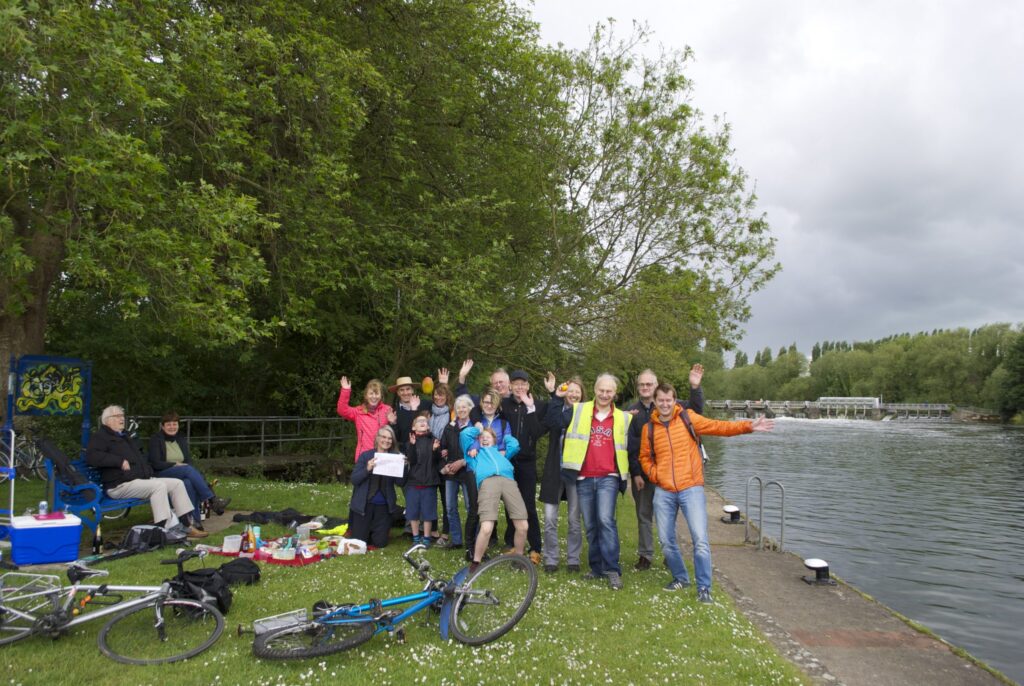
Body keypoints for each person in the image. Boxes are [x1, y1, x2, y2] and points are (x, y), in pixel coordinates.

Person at [639, 382, 774, 603]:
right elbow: (644, 457)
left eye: (668, 400)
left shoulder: (687, 418)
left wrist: (749, 426)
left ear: (674, 401)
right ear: (654, 401)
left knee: (700, 539)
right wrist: (655, 475)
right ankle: (681, 578)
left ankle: (704, 588)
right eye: (660, 400)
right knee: (665, 539)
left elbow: (719, 427)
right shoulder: (649, 428)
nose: (664, 404)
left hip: (691, 487)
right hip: (664, 490)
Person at [548, 373, 632, 590]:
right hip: (584, 477)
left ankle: (612, 569)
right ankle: (596, 568)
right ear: (595, 390)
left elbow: (635, 445)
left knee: (605, 520)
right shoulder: (579, 410)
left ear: (615, 393)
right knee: (591, 524)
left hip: (609, 477)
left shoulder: (623, 417)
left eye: (609, 391)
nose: (604, 394)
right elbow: (555, 421)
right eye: (601, 390)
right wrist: (557, 398)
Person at [626, 365, 705, 571]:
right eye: (641, 384)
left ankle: (671, 556)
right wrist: (635, 473)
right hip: (643, 474)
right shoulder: (631, 412)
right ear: (638, 387)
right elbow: (631, 447)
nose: (645, 387)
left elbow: (696, 409)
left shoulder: (669, 404)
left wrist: (695, 387)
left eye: (649, 384)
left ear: (656, 385)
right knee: (643, 515)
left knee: (668, 517)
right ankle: (645, 555)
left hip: (669, 476)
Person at [87, 405, 205, 538]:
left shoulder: (125, 436)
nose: (122, 419)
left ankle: (187, 525)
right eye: (118, 416)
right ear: (108, 420)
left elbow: (141, 458)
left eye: (122, 416)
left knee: (177, 483)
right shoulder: (100, 437)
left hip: (137, 480)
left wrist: (147, 470)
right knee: (159, 486)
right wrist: (118, 461)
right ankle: (162, 529)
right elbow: (92, 457)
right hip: (119, 485)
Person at [147, 412, 230, 530]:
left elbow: (188, 461)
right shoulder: (156, 440)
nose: (172, 427)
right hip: (162, 473)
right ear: (163, 426)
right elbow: (155, 463)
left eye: (175, 424)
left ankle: (194, 521)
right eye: (169, 424)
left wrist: (181, 467)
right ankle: (211, 499)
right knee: (186, 469)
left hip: (181, 474)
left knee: (188, 483)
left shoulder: (180, 439)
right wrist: (175, 465)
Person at [458, 425, 525, 573]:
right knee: (487, 528)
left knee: (523, 526)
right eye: (482, 438)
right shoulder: (473, 456)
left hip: (508, 481)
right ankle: (476, 562)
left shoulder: (502, 455)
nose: (484, 439)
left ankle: (520, 560)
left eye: (488, 437)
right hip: (488, 482)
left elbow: (514, 445)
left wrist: (506, 436)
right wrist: (478, 430)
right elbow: (464, 435)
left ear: (494, 441)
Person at [539, 373, 585, 573]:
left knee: (574, 520)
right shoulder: (557, 408)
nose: (574, 394)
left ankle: (573, 559)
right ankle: (551, 558)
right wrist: (555, 396)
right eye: (571, 390)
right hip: (554, 471)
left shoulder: (585, 413)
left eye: (577, 391)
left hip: (575, 472)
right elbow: (552, 422)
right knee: (550, 518)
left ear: (582, 394)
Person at [500, 370, 545, 564]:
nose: (519, 387)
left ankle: (535, 547)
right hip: (508, 462)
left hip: (527, 461)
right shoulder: (504, 405)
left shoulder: (537, 405)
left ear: (528, 386)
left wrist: (531, 408)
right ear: (510, 386)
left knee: (528, 505)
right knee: (510, 504)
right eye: (516, 384)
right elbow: (481, 407)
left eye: (523, 384)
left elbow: (537, 433)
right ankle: (511, 543)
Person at [440, 395, 481, 559]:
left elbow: (480, 449)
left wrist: (462, 462)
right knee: (450, 507)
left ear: (470, 409)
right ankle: (456, 539)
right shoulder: (449, 427)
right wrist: (445, 464)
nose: (461, 410)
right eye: (459, 408)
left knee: (471, 507)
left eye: (465, 407)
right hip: (451, 473)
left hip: (468, 471)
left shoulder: (476, 428)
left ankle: (475, 540)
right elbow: (443, 449)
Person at [350, 425, 403, 549]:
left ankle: (376, 529)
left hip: (384, 506)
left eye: (390, 438)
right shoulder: (366, 456)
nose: (386, 440)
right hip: (364, 505)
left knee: (380, 543)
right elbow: (354, 479)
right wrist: (367, 469)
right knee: (360, 542)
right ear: (377, 439)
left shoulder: (395, 458)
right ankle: (365, 529)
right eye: (383, 437)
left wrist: (403, 467)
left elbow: (400, 483)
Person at [403, 414, 442, 547]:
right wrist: (413, 446)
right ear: (414, 427)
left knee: (428, 512)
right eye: (419, 421)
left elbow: (437, 461)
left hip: (429, 482)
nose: (423, 422)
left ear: (428, 426)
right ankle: (415, 537)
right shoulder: (410, 442)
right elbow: (412, 461)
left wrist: (436, 450)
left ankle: (426, 538)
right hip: (413, 482)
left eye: (425, 421)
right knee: (413, 511)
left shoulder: (434, 440)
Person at [337, 376, 396, 462]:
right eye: (371, 393)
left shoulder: (387, 410)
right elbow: (342, 410)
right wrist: (345, 391)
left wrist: (393, 422)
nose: (374, 397)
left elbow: (393, 433)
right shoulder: (358, 411)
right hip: (364, 456)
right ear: (366, 396)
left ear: (381, 396)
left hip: (383, 456)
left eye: (376, 394)